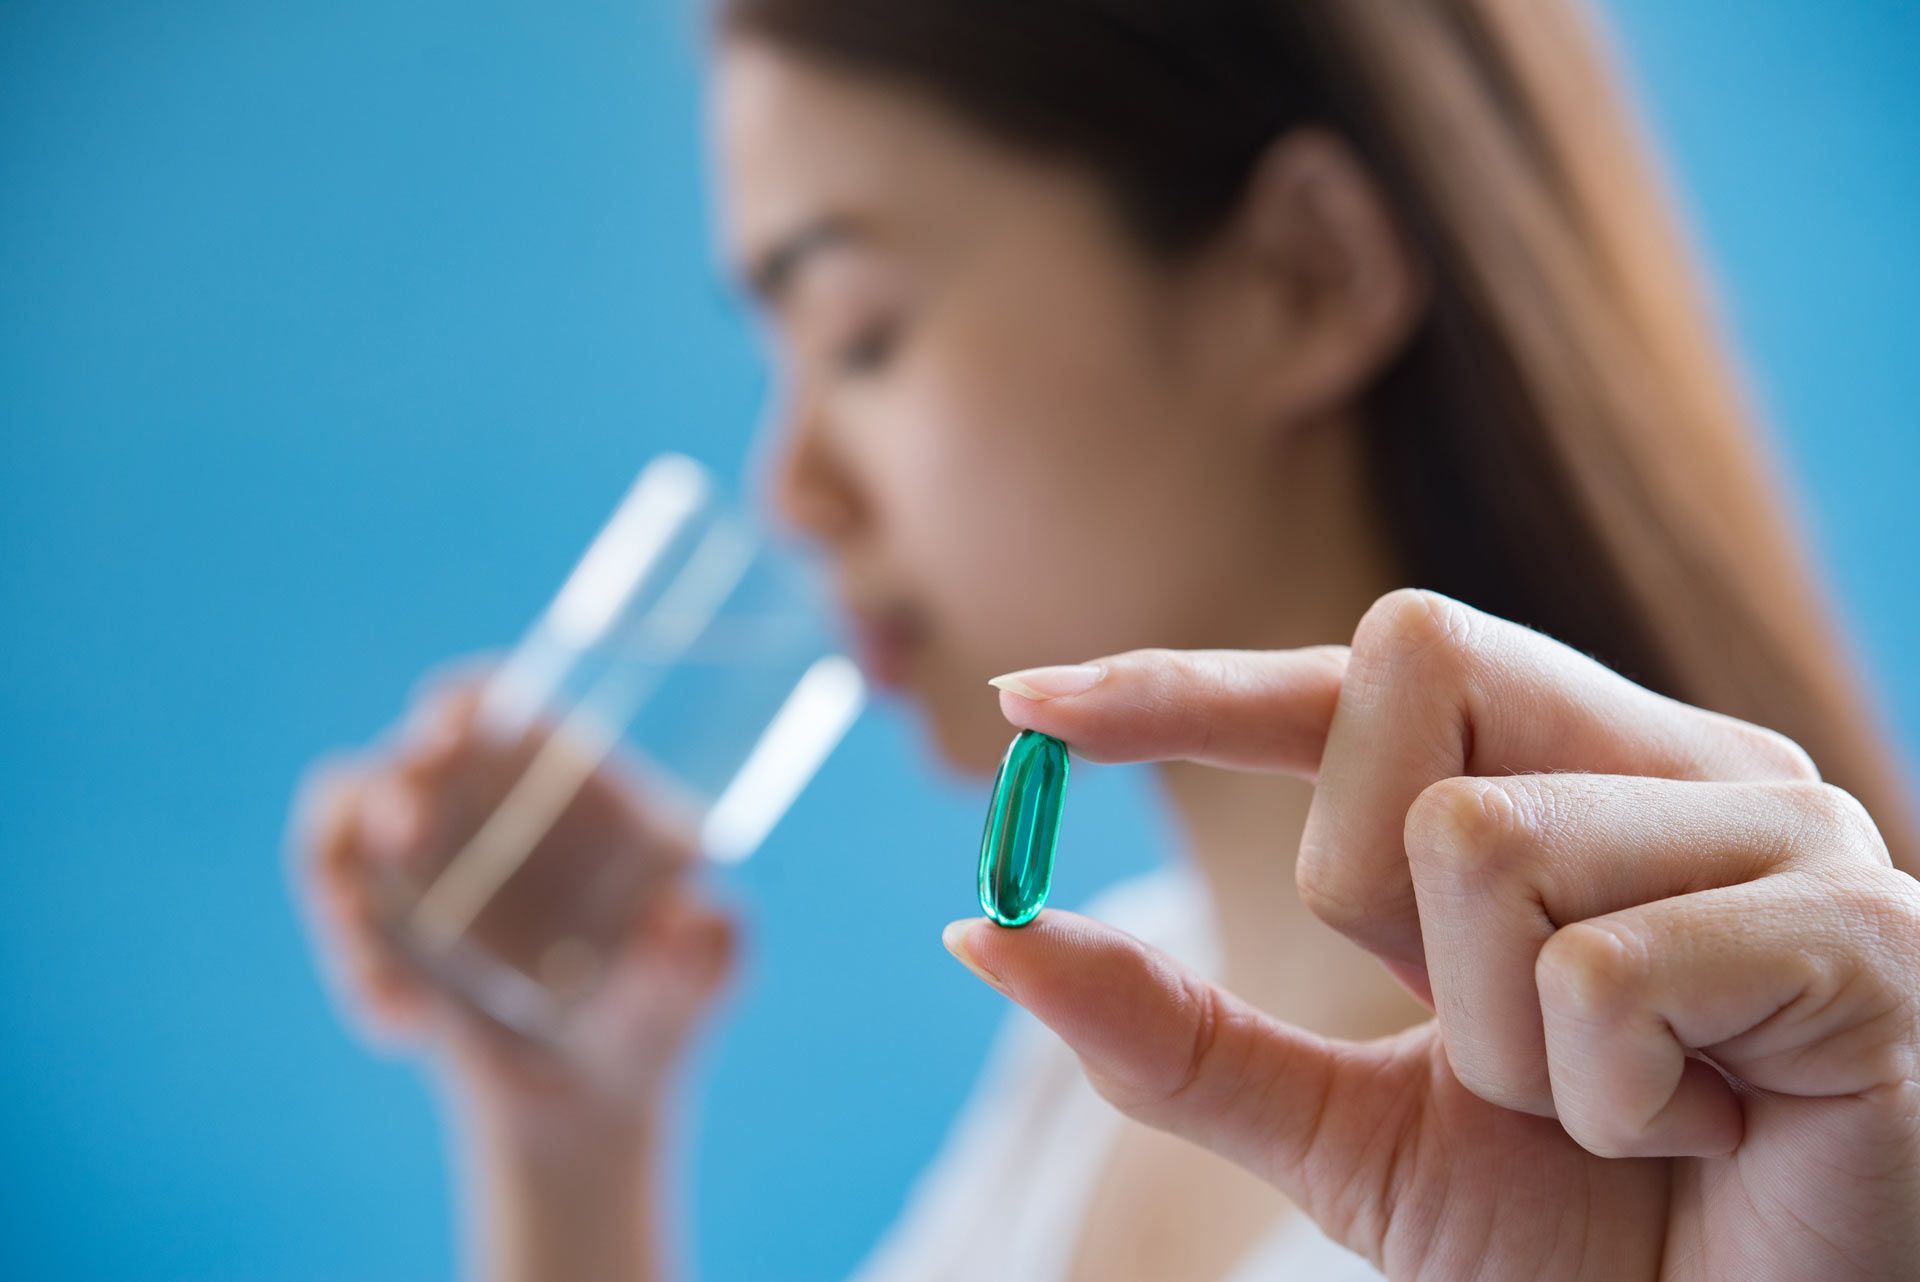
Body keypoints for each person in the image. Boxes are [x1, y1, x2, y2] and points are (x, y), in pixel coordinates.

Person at [291, 1, 1920, 1278]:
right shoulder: (1091, 1056)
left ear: (1303, 274)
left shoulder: (1755, 1162)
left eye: (861, 330)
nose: (787, 482)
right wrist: (569, 1143)